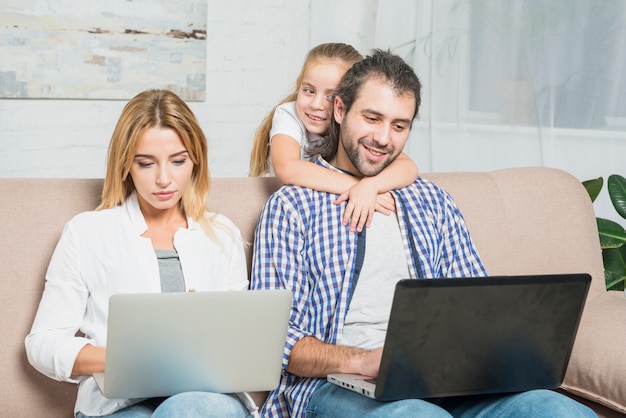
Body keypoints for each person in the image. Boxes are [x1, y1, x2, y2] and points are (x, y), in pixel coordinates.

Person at [251, 50, 597, 418]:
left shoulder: (431, 200)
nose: (383, 138)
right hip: (336, 386)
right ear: (340, 111)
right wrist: (365, 361)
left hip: (446, 383)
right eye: (372, 118)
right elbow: (276, 341)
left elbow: (475, 306)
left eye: (399, 126)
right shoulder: (292, 206)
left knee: (557, 410)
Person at [25, 89, 256, 418]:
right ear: (125, 164)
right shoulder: (87, 232)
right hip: (117, 404)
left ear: (196, 160)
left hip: (203, 399)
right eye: (146, 163)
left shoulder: (222, 234)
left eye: (178, 161)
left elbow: (240, 337)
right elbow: (42, 343)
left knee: (188, 409)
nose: (164, 179)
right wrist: (121, 358)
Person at [249, 42, 419, 232]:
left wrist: (371, 186)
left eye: (330, 96)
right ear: (299, 85)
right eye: (309, 90)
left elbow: (408, 166)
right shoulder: (289, 116)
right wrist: (359, 188)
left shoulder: (349, 125)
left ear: (345, 102)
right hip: (283, 205)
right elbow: (287, 169)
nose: (316, 104)